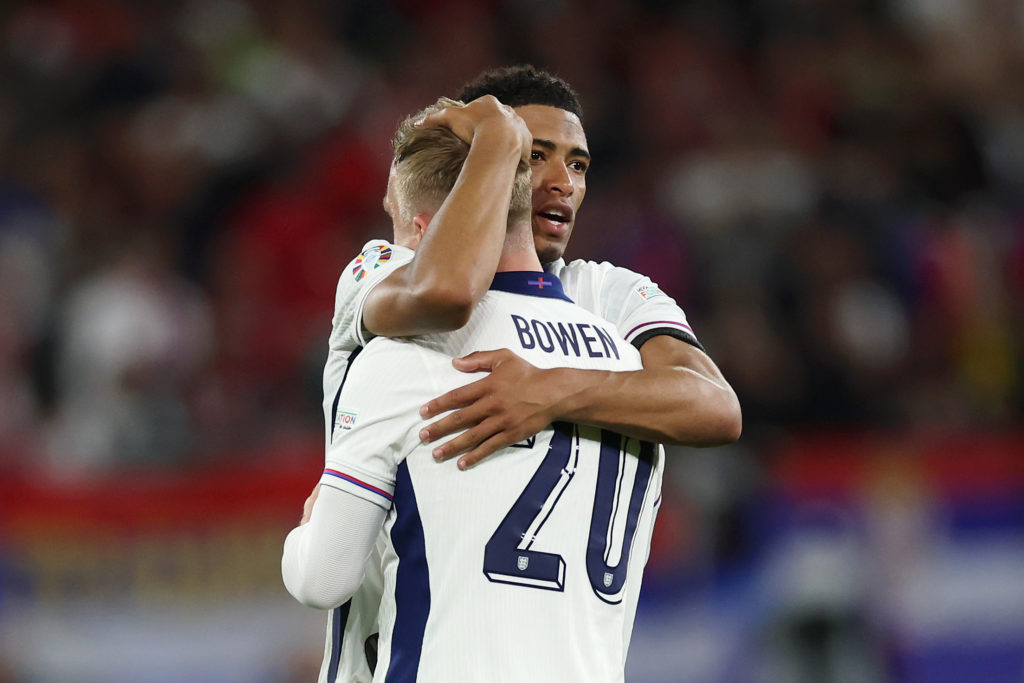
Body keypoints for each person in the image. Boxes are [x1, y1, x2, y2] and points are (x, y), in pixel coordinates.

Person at [313, 65, 743, 681]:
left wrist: (550, 390)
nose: (561, 182)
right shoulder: (383, 267)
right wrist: (491, 134)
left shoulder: (606, 293)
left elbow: (715, 407)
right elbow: (447, 292)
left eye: (578, 164)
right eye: (532, 154)